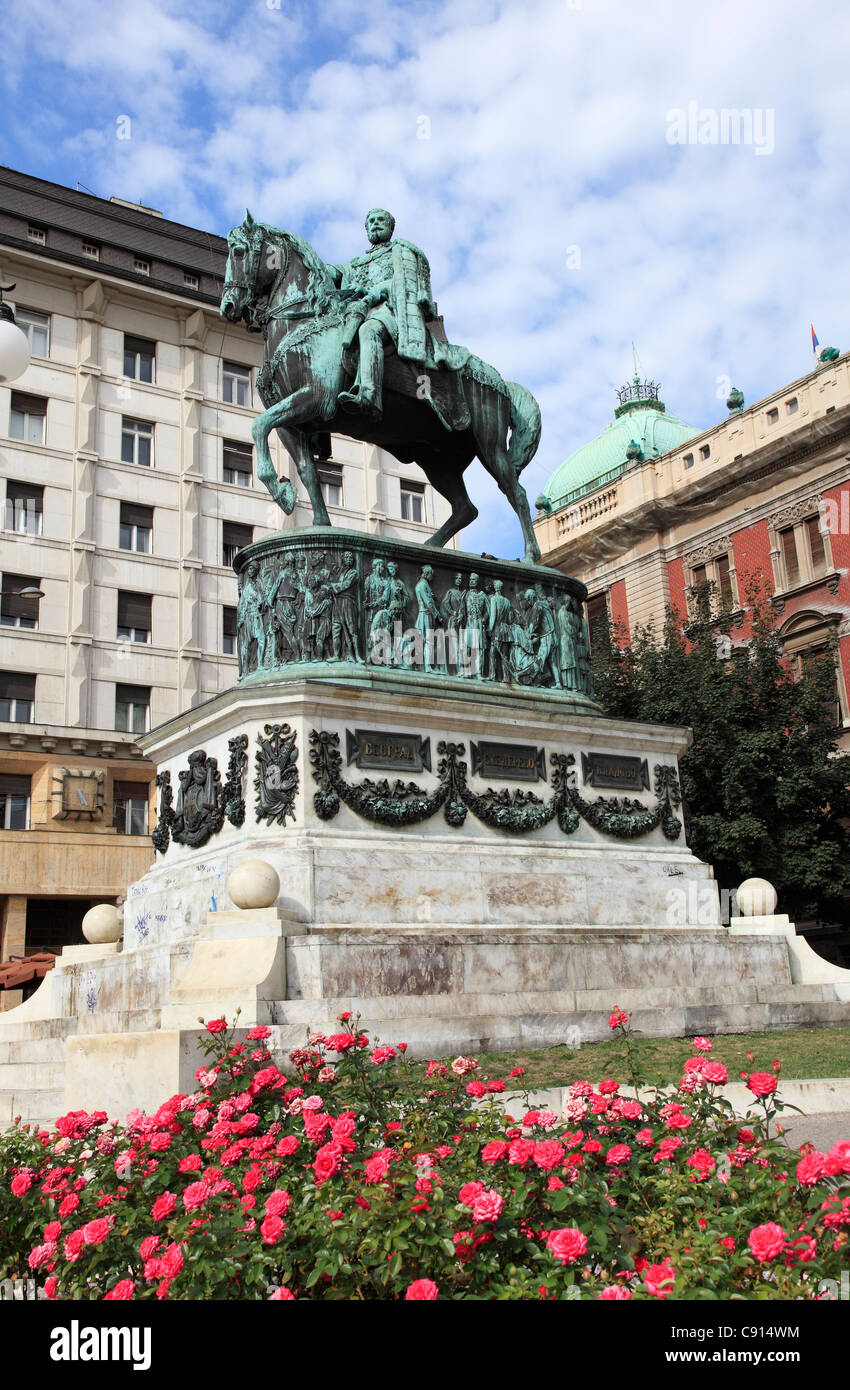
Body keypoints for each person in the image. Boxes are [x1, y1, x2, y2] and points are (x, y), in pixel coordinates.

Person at [328, 208, 468, 422]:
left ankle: (369, 395)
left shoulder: (401, 253)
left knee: (369, 330)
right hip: (359, 311)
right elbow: (335, 272)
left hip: (391, 310)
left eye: (380, 220)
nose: (375, 223)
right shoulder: (356, 264)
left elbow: (405, 281)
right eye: (371, 221)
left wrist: (377, 292)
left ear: (391, 227)